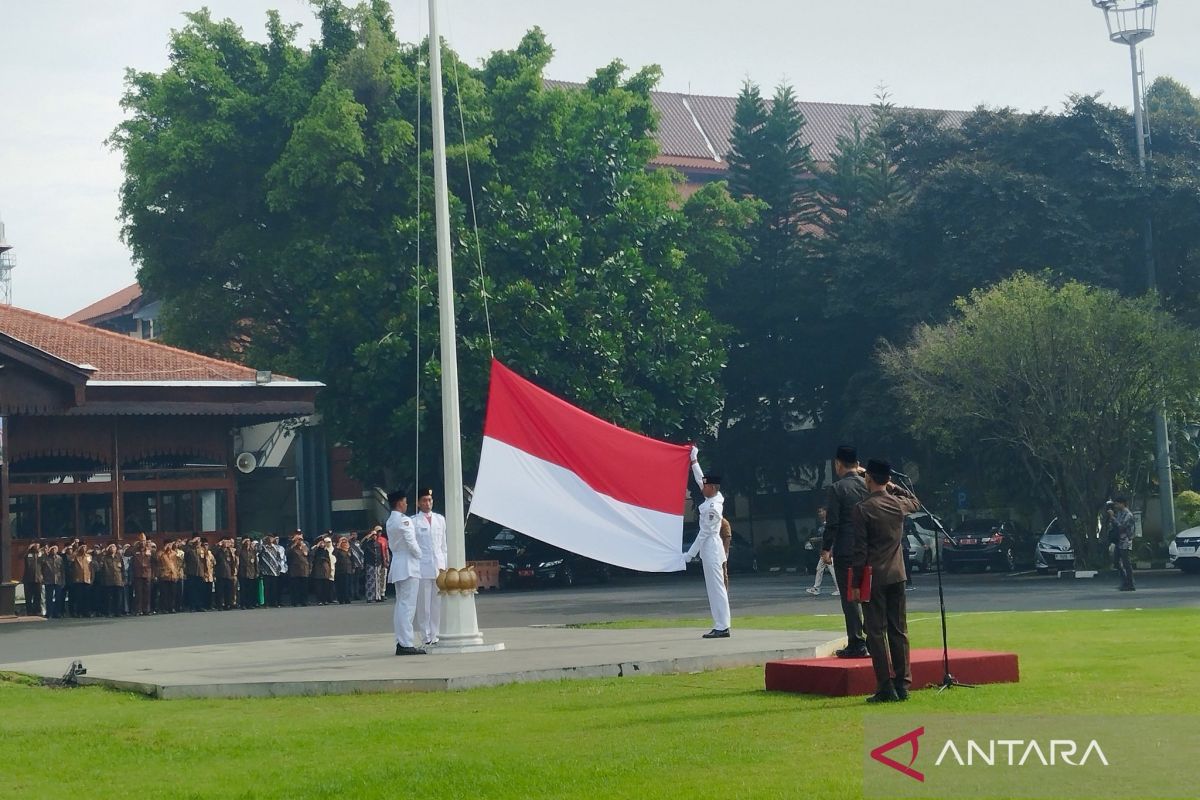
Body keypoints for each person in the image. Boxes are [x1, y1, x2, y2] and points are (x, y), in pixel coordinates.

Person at [850, 458, 921, 703]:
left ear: (867, 478)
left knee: (876, 632)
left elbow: (860, 551)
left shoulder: (862, 509)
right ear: (887, 480)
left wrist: (855, 583)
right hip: (897, 575)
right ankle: (903, 683)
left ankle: (885, 686)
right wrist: (892, 486)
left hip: (873, 576)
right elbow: (915, 500)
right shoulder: (899, 504)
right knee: (899, 630)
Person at [823, 444, 869, 658]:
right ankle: (874, 638)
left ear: (838, 464)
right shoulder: (868, 485)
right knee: (869, 594)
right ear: (858, 464)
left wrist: (826, 548)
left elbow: (832, 523)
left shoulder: (837, 488)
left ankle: (856, 641)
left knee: (850, 597)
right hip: (868, 547)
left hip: (846, 549)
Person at [685, 447, 731, 639]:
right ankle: (719, 624)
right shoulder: (711, 496)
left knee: (717, 588)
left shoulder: (713, 507)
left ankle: (723, 626)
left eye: (705, 486)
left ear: (712, 488)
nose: (701, 487)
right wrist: (694, 460)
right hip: (709, 548)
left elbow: (704, 533)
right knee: (713, 589)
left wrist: (689, 554)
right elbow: (699, 479)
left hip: (711, 547)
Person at [386, 488, 425, 655]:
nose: (407, 504)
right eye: (405, 501)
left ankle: (401, 641)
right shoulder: (404, 521)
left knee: (401, 605)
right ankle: (405, 643)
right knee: (408, 606)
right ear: (400, 503)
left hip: (398, 563)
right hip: (408, 564)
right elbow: (411, 543)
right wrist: (420, 554)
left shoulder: (390, 520)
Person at [806, 508, 840, 597]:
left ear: (826, 512)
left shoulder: (829, 524)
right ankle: (816, 588)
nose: (820, 513)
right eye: (818, 512)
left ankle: (839, 589)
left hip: (828, 551)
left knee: (832, 570)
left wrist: (815, 539)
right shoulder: (823, 525)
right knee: (819, 569)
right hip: (825, 551)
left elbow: (829, 537)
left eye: (821, 511)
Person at [1112, 496, 1137, 591]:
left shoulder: (1128, 514)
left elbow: (1121, 526)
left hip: (1126, 541)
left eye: (1117, 503)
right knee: (1116, 562)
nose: (1116, 505)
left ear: (1122, 503)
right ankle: (1125, 581)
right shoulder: (1119, 513)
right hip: (1119, 541)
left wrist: (1112, 517)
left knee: (1126, 563)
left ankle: (1130, 584)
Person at [258, 535, 284, 608]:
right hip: (266, 571)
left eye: (272, 538)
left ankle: (274, 602)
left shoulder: (275, 548)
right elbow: (258, 550)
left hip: (275, 571)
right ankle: (266, 603)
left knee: (274, 588)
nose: (271, 540)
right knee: (267, 588)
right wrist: (262, 540)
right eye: (269, 538)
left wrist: (279, 567)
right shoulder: (264, 547)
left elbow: (279, 558)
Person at [287, 534, 311, 606]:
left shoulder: (304, 546)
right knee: (295, 587)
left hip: (304, 570)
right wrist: (294, 544)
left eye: (301, 539)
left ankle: (304, 601)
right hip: (295, 570)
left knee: (304, 587)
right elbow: (288, 554)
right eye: (298, 539)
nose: (300, 541)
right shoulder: (291, 547)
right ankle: (295, 602)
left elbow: (308, 555)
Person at [362, 529, 384, 602]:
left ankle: (378, 596)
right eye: (373, 535)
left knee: (378, 580)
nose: (374, 536)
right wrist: (368, 537)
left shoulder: (378, 544)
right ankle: (370, 597)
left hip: (378, 563)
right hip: (370, 564)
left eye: (375, 535)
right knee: (370, 581)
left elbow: (381, 554)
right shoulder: (367, 544)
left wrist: (383, 563)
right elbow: (362, 545)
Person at [22, 543, 43, 617]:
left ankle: (37, 611)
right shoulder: (28, 554)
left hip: (38, 579)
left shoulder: (40, 555)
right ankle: (29, 611)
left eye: (38, 547)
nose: (37, 548)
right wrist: (28, 548)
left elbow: (44, 562)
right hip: (28, 579)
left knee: (37, 596)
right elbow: (21, 556)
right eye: (35, 546)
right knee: (28, 597)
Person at [238, 538, 259, 609]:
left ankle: (249, 604)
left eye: (249, 541)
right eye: (246, 541)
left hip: (251, 572)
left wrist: (256, 571)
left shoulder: (252, 551)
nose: (248, 543)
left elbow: (255, 562)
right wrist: (241, 544)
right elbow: (237, 553)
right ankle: (243, 604)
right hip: (243, 572)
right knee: (243, 590)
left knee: (250, 589)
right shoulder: (241, 550)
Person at [333, 537, 353, 604]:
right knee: (341, 585)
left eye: (346, 542)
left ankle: (347, 598)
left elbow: (352, 560)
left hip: (348, 570)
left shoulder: (349, 550)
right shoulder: (338, 551)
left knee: (347, 585)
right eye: (343, 542)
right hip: (340, 570)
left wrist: (353, 568)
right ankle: (341, 599)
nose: (345, 544)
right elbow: (334, 556)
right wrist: (338, 546)